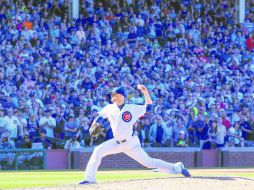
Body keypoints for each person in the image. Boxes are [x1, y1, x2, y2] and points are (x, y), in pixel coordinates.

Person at [79, 85, 191, 185]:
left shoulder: (131, 108)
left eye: (115, 94)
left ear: (121, 96)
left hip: (130, 142)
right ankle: (90, 179)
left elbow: (149, 108)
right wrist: (95, 124)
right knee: (98, 151)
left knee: (149, 163)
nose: (112, 96)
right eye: (112, 94)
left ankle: (177, 167)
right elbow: (100, 117)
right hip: (116, 142)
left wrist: (146, 92)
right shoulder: (109, 108)